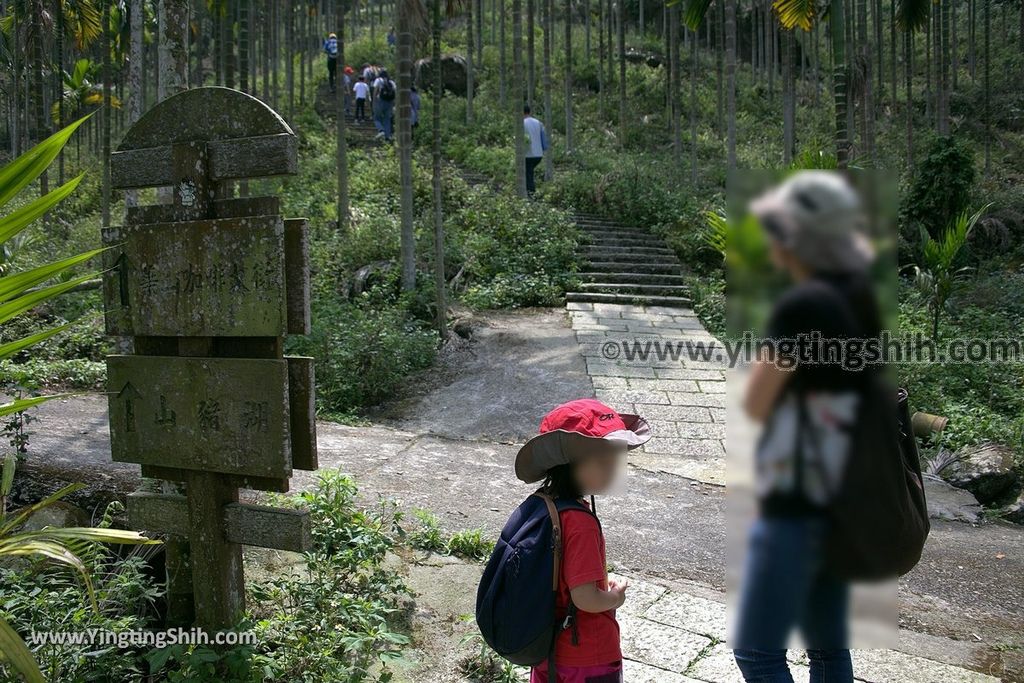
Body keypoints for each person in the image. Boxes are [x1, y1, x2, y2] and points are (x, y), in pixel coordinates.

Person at [733, 172, 880, 683]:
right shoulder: (859, 295)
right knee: (828, 651)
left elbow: (755, 401)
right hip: (845, 499)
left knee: (756, 651)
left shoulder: (802, 306)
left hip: (798, 499)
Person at [513, 399, 652, 683]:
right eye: (603, 462)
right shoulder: (580, 522)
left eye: (615, 460)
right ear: (568, 465)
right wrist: (615, 597)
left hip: (546, 648)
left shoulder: (542, 505)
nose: (612, 469)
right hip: (588, 657)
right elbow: (585, 599)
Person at [522, 105, 549, 195]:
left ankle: (531, 193)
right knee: (529, 173)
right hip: (538, 154)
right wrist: (544, 149)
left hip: (528, 154)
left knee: (528, 174)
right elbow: (543, 139)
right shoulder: (538, 123)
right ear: (529, 112)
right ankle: (531, 192)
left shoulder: (521, 123)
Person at [372, 69, 397, 141]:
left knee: (376, 117)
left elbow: (375, 91)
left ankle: (381, 130)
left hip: (380, 101)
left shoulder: (378, 80)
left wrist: (374, 101)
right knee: (387, 119)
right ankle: (388, 136)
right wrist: (394, 103)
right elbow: (395, 93)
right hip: (390, 102)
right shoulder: (391, 82)